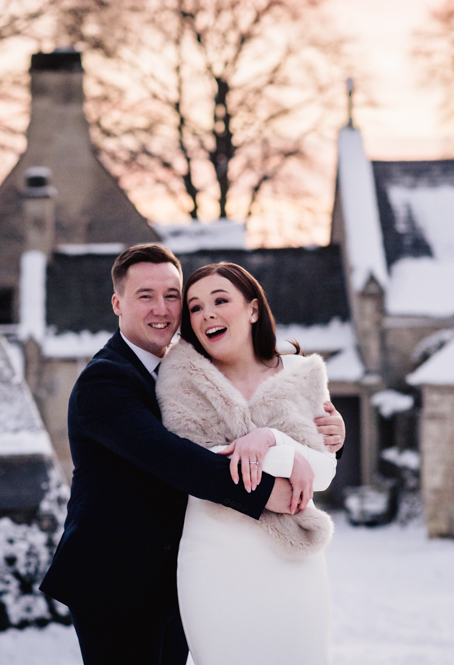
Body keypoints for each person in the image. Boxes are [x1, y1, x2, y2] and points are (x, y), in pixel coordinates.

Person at [39, 245, 345, 665]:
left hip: (174, 579)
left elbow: (261, 391)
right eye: (145, 295)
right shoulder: (105, 380)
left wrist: (325, 437)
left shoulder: (182, 369)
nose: (162, 308)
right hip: (115, 579)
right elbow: (173, 458)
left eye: (172, 295)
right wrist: (268, 489)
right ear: (117, 303)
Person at [155, 262, 340, 665]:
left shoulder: (301, 373)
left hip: (295, 566)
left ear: (253, 309)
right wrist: (288, 462)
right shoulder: (179, 381)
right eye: (196, 307)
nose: (208, 314)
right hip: (215, 563)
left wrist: (274, 442)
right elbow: (200, 465)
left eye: (221, 300)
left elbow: (323, 471)